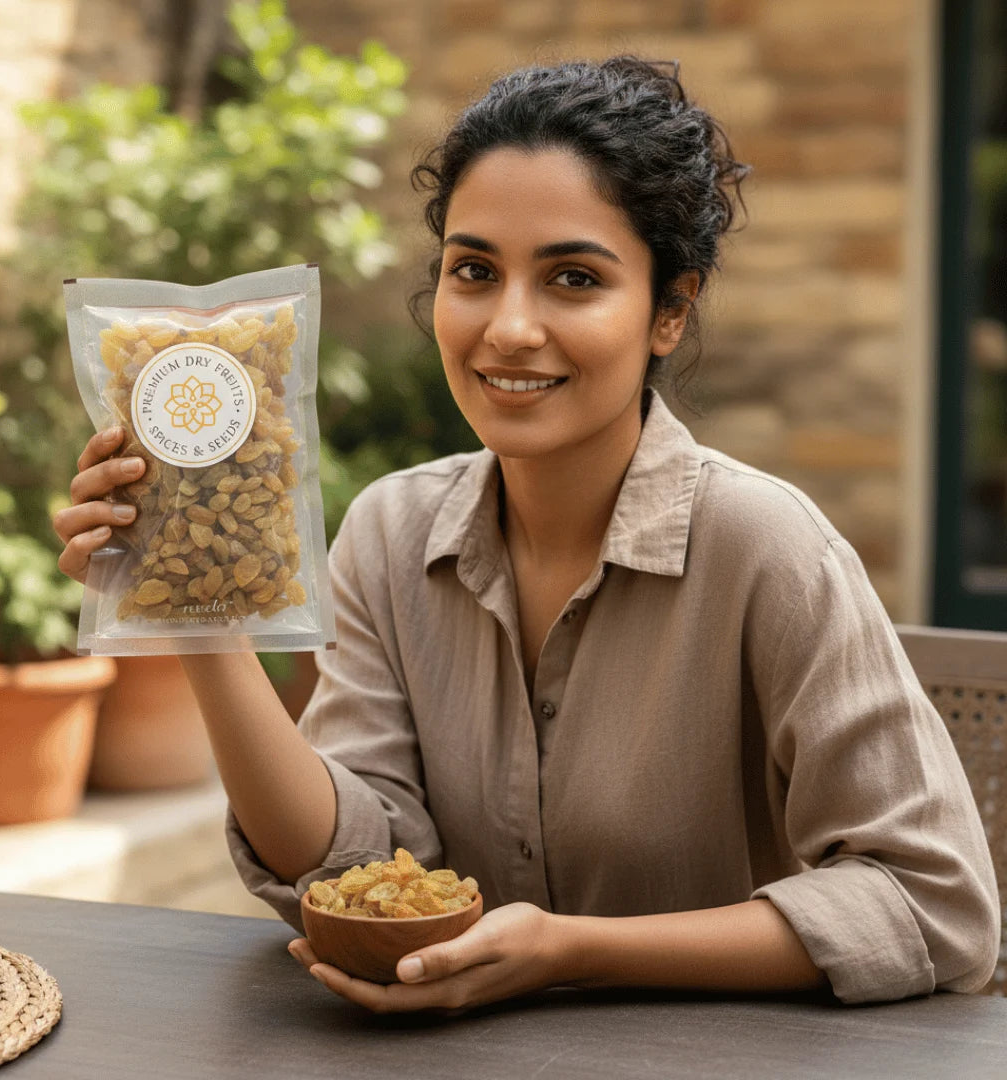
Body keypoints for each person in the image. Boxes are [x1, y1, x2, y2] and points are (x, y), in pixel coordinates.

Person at [54, 56, 999, 1012]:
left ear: (670, 310)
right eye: (474, 271)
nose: (508, 326)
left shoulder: (766, 548)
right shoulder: (392, 531)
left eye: (573, 279)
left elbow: (935, 905)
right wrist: (197, 614)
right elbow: (351, 866)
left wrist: (569, 951)